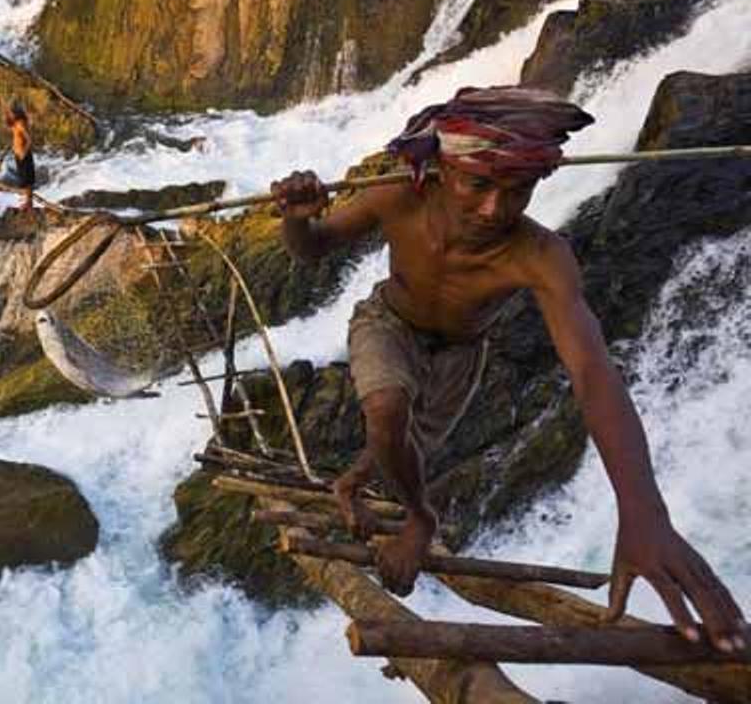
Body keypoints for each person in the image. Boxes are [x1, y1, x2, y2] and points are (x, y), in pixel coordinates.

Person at [271, 86, 746, 652]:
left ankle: (352, 480)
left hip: (462, 355)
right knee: (386, 412)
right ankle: (421, 519)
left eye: (518, 190)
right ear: (444, 171)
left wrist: (644, 509)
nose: (495, 209)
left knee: (399, 450)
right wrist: (298, 221)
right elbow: (313, 247)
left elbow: (592, 370)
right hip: (388, 322)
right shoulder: (396, 197)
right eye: (479, 184)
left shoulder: (538, 254)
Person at [5, 101, 36, 213]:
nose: (10, 115)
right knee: (23, 179)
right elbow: (8, 125)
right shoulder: (15, 123)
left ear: (16, 114)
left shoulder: (21, 123)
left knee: (27, 179)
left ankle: (28, 203)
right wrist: (7, 111)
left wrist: (24, 152)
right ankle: (27, 202)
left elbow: (29, 140)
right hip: (18, 154)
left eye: (12, 113)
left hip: (23, 154)